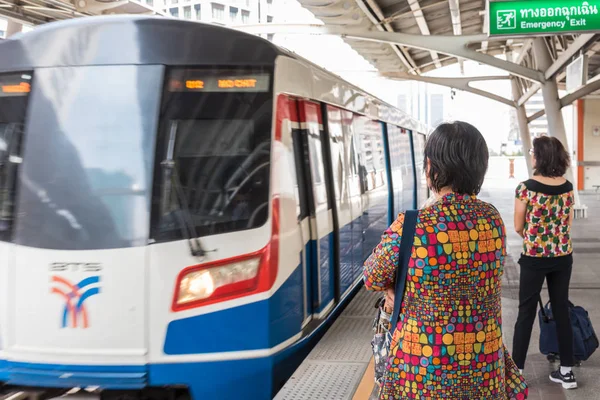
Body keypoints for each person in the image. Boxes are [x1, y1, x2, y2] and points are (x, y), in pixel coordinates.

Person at [364, 122, 528, 399]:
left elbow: (372, 276)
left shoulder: (413, 224)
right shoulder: (491, 218)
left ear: (431, 167)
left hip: (422, 369)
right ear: (480, 167)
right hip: (483, 366)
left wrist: (396, 288)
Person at [512, 136, 577, 389]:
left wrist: (534, 239)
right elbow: (568, 224)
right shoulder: (568, 187)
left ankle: (517, 372)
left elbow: (518, 225)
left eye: (532, 152)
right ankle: (567, 372)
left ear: (539, 156)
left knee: (525, 312)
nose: (531, 156)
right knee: (561, 309)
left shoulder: (526, 187)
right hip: (563, 256)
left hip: (534, 258)